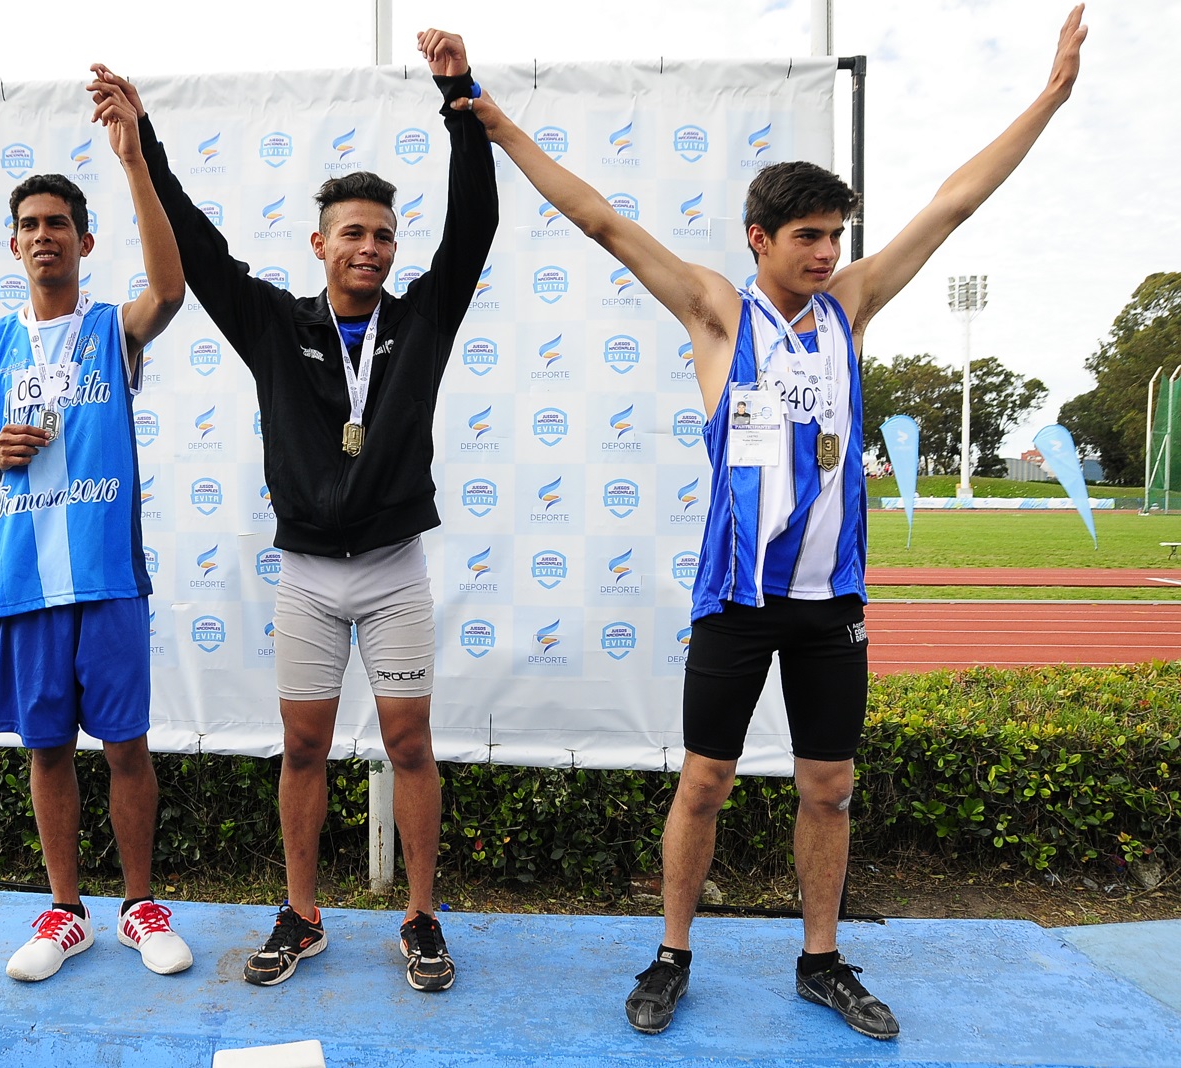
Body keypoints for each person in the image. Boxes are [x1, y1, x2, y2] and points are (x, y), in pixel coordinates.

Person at [458, 5, 1086, 1040]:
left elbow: (953, 206)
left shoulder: (855, 307)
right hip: (738, 599)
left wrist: (1049, 99)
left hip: (830, 600)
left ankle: (822, 960)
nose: (831, 254)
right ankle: (672, 954)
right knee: (703, 781)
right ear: (760, 239)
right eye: (810, 238)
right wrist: (500, 124)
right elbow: (601, 221)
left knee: (829, 788)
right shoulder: (714, 311)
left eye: (837, 236)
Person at [88, 27, 496, 993]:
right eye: (352, 232)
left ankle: (422, 916)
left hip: (395, 568)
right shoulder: (276, 322)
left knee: (409, 746)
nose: (370, 246)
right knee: (304, 746)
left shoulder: (421, 319)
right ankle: (303, 914)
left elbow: (474, 225)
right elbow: (200, 249)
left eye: (383, 234)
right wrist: (145, 146)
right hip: (308, 576)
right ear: (320, 245)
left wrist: (459, 100)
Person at [0, 79, 192, 984]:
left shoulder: (109, 329)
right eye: (31, 223)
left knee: (125, 745)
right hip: (24, 577)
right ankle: (65, 911)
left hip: (106, 573)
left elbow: (168, 288)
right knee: (47, 749)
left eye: (60, 222)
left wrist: (133, 160)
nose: (44, 233)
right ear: (14, 243)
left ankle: (139, 906)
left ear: (85, 242)